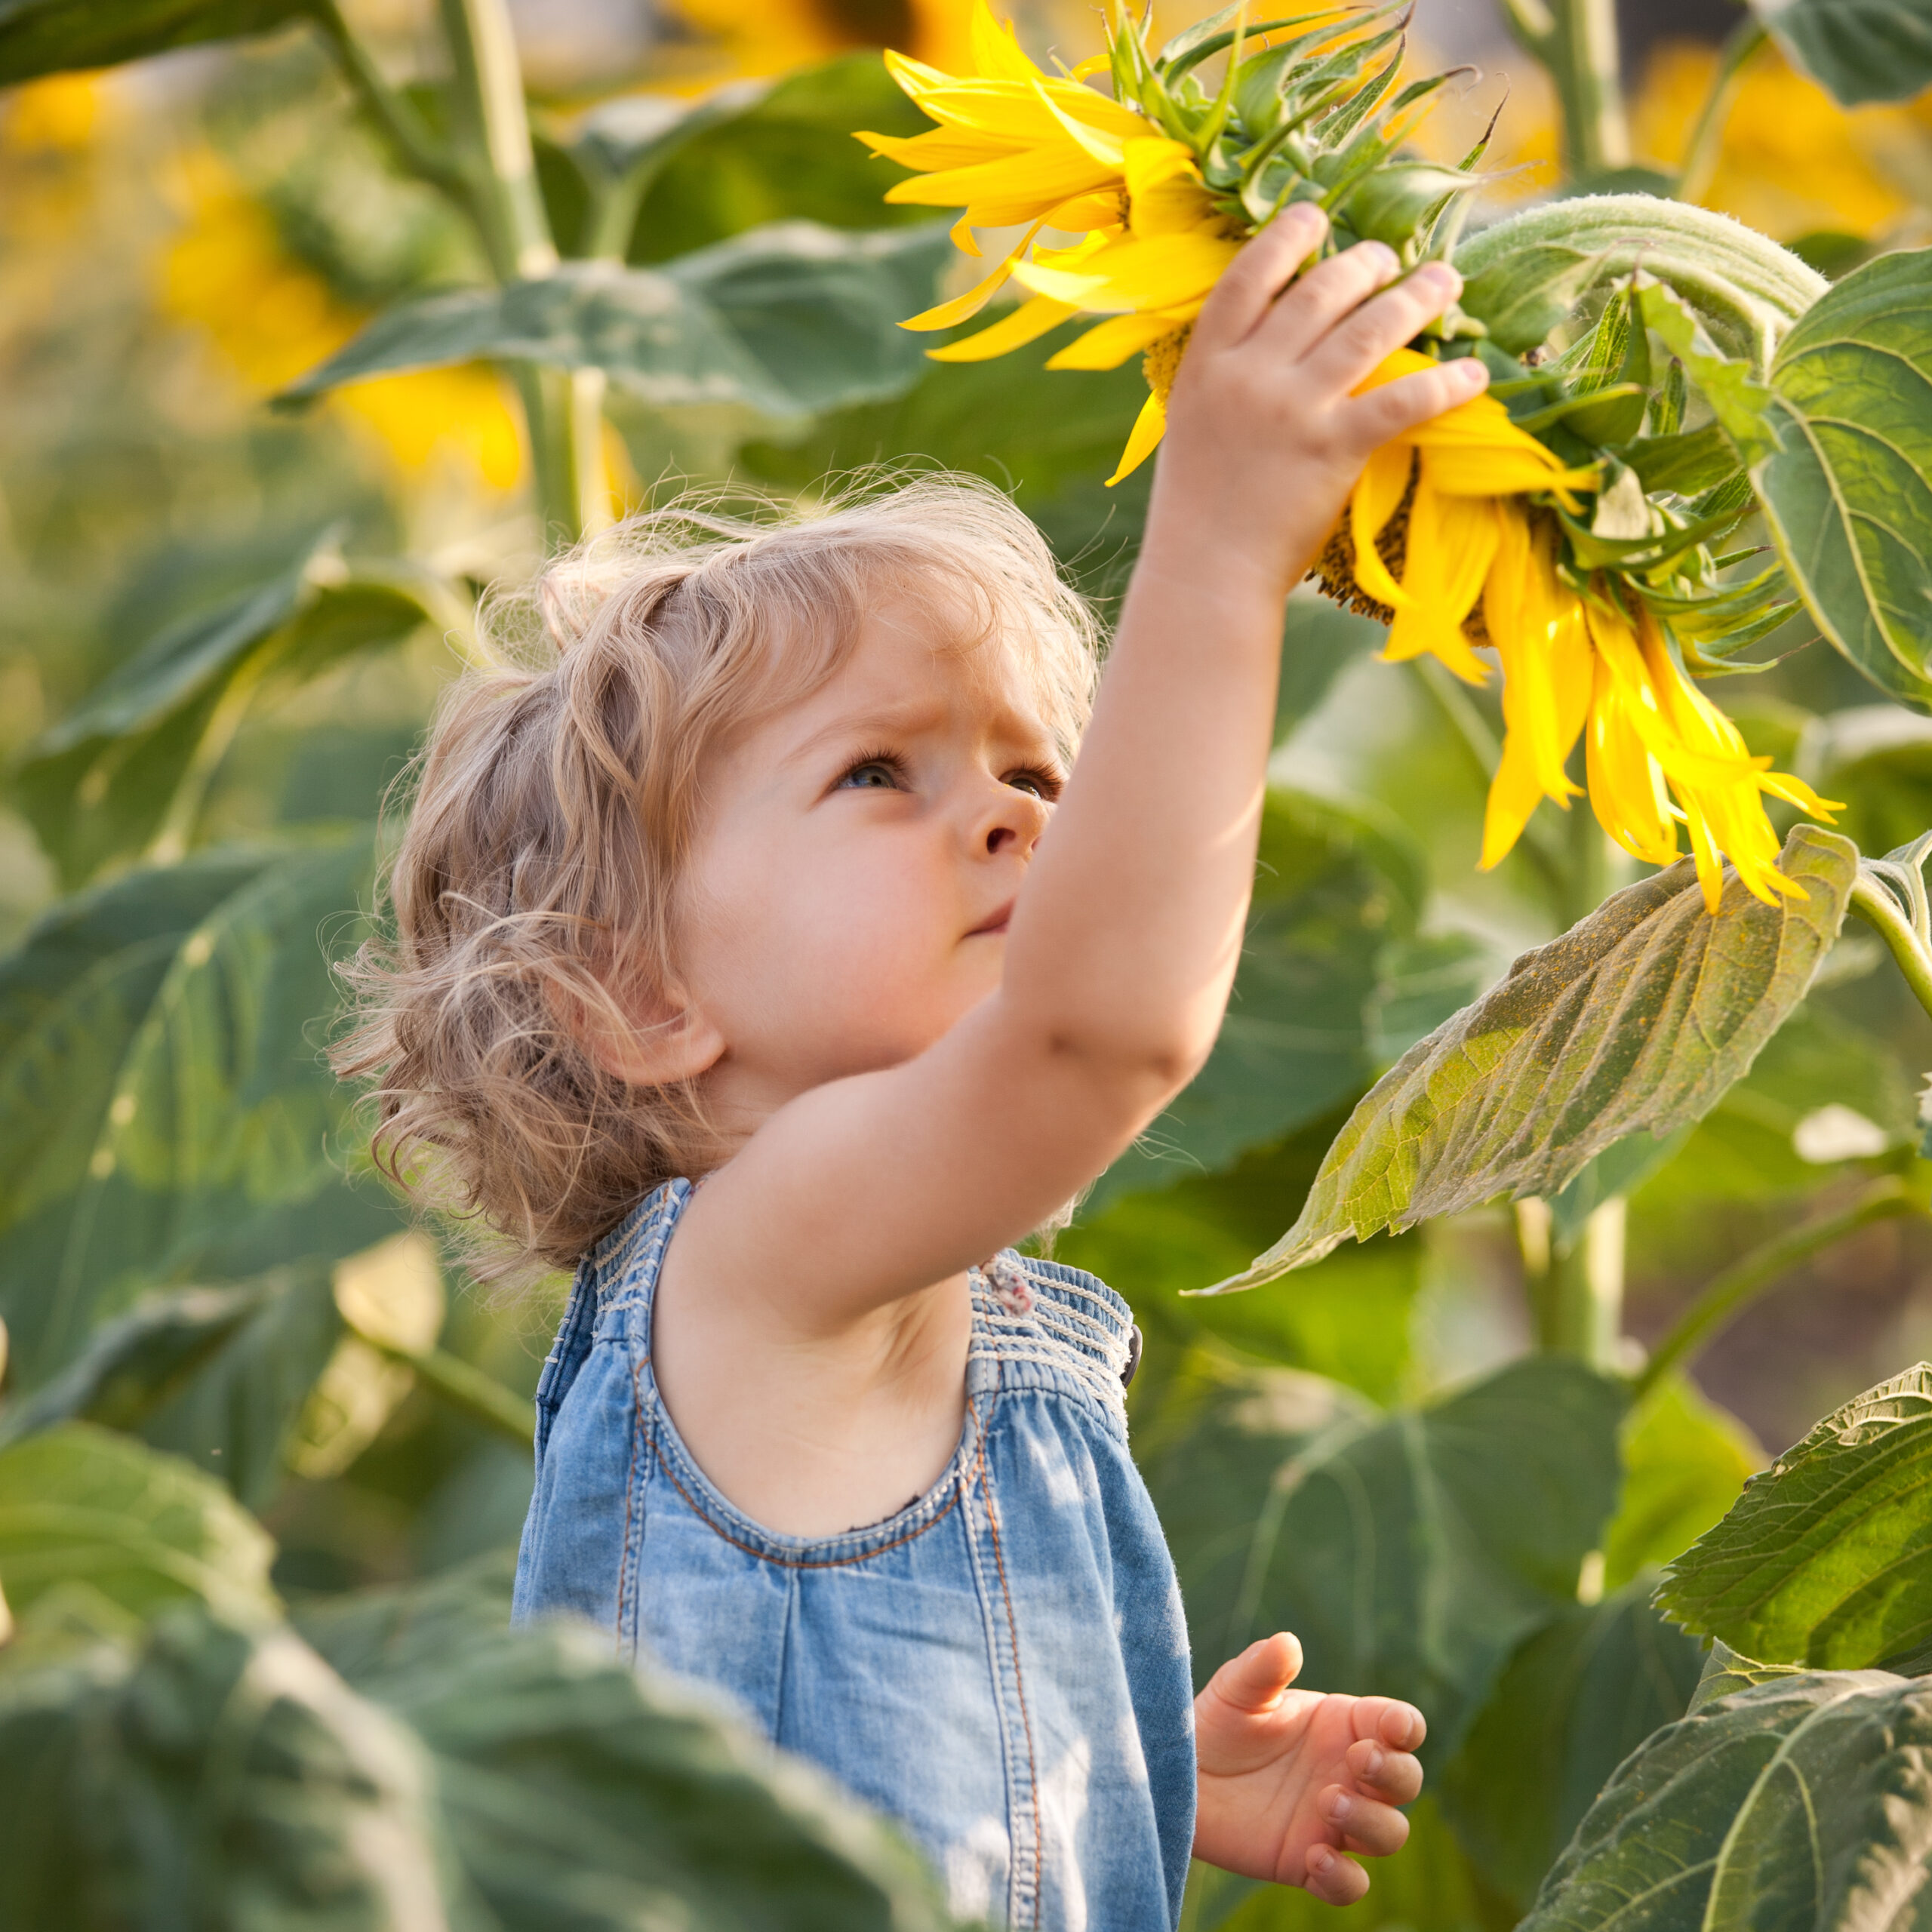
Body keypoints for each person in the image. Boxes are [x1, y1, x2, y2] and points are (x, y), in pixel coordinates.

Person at [337, 205, 1489, 1930]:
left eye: (1036, 767)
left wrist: (1126, 1765)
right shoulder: (756, 1247)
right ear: (640, 993)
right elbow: (1101, 1026)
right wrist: (1222, 546)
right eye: (881, 773)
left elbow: (861, 1736)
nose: (1019, 812)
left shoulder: (881, 1293)